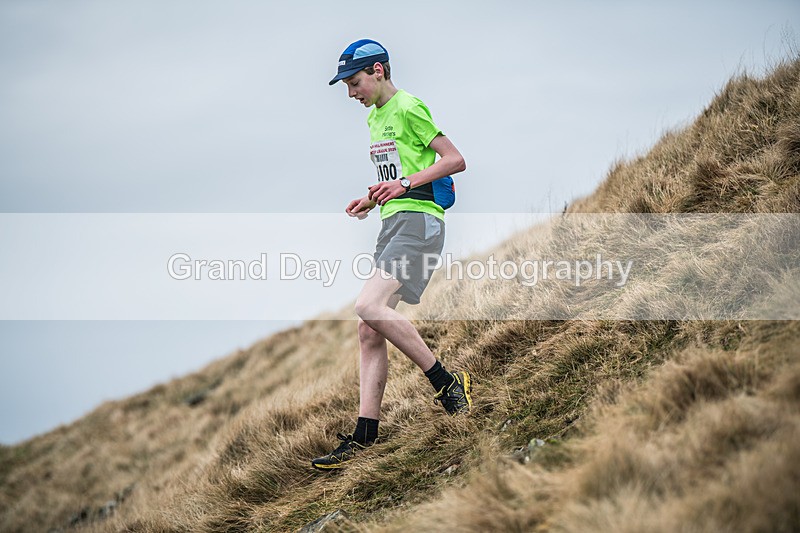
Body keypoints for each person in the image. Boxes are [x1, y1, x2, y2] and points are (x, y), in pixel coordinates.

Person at [311, 39, 471, 471]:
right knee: (368, 329)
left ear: (378, 71)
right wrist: (375, 198)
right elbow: (397, 176)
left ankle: (448, 384)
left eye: (354, 82)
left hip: (419, 223)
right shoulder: (377, 119)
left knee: (368, 305)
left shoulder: (408, 106)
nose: (351, 93)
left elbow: (454, 160)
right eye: (346, 85)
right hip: (396, 221)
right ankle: (366, 435)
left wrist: (402, 186)